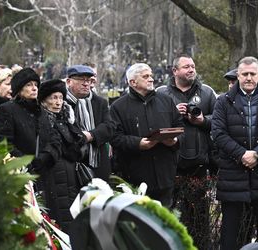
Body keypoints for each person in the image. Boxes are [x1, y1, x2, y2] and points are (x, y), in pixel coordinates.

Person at [156, 54, 217, 248]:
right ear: (175, 71)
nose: (191, 70)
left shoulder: (207, 92)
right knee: (169, 215)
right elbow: (153, 123)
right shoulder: (160, 93)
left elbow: (219, 121)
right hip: (169, 165)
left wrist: (202, 120)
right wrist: (172, 112)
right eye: (186, 67)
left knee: (199, 217)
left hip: (199, 165)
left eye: (193, 66)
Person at [212, 56, 258, 250]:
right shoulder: (223, 101)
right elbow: (218, 133)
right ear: (237, 75)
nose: (248, 78)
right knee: (229, 234)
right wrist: (241, 154)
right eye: (244, 74)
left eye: (252, 74)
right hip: (233, 175)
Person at [110, 63, 183, 209]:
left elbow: (180, 126)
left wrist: (174, 141)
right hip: (135, 178)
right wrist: (138, 143)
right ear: (132, 82)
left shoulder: (166, 101)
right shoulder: (118, 107)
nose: (151, 79)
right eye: (145, 76)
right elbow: (114, 137)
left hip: (164, 176)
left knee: (164, 224)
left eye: (151, 75)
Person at [35, 79, 87, 233]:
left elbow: (79, 147)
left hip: (71, 178)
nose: (58, 102)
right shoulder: (39, 121)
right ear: (43, 100)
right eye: (53, 98)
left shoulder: (67, 120)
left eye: (60, 98)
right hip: (51, 178)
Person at [65, 64, 115, 181]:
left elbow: (110, 127)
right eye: (81, 79)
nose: (86, 83)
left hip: (98, 163)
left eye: (88, 80)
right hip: (71, 163)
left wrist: (91, 135)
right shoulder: (62, 102)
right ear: (69, 82)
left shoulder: (99, 102)